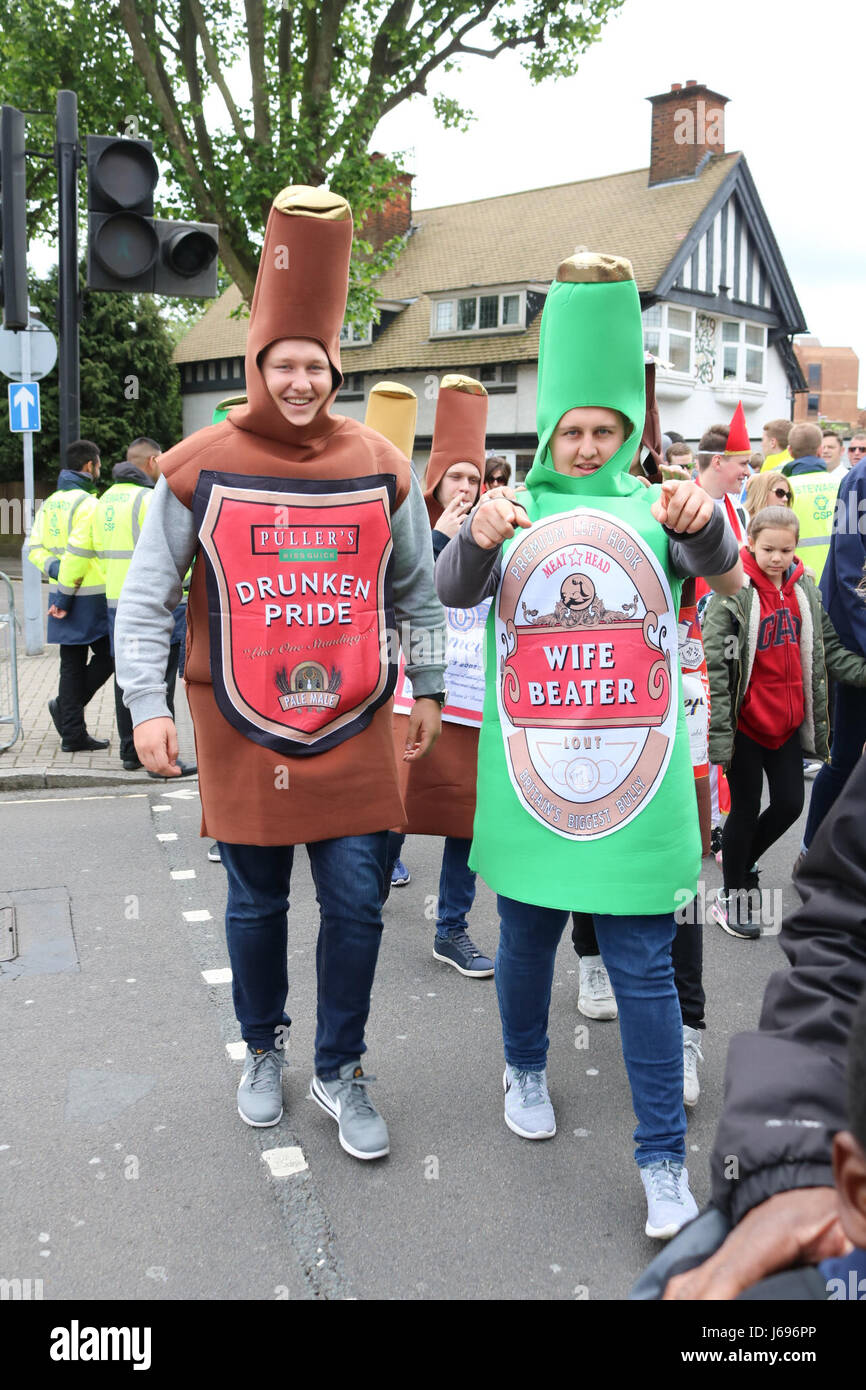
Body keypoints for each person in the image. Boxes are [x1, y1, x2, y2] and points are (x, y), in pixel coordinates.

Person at [115, 185, 446, 1160]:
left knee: (354, 907)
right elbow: (143, 601)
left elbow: (416, 595)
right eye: (282, 363)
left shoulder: (382, 466)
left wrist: (425, 685)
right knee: (255, 906)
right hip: (239, 734)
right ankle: (262, 1049)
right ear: (258, 364)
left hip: (352, 732)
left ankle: (339, 1067)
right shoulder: (196, 464)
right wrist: (145, 707)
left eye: (314, 364)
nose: (298, 380)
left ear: (332, 368)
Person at [435, 250, 743, 1239]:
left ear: (627, 431)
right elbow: (447, 591)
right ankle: (523, 1065)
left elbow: (720, 567)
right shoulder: (508, 508)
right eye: (569, 428)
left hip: (635, 788)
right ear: (548, 429)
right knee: (524, 937)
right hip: (531, 777)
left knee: (645, 966)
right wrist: (477, 534)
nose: (583, 443)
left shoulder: (661, 510)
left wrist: (701, 522)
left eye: (602, 428)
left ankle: (660, 1161)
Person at [630, 746, 866, 1301]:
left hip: (774, 720)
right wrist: (796, 1162)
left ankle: (686, 1043)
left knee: (785, 800)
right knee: (658, 896)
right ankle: (734, 896)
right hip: (722, 729)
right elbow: (844, 926)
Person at [702, 504, 866, 937]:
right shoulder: (734, 591)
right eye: (768, 548)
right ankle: (730, 896)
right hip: (747, 726)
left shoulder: (804, 589)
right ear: (751, 543)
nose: (776, 558)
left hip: (788, 724)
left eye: (785, 550)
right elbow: (717, 667)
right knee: (743, 810)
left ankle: (739, 865)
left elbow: (828, 648)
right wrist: (722, 732)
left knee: (792, 804)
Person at [387, 375, 495, 976]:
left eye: (475, 479)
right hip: (413, 697)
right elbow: (394, 591)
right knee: (395, 812)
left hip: (475, 703)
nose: (467, 489)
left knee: (463, 821)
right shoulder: (409, 522)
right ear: (435, 481)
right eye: (457, 477)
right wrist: (437, 538)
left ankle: (450, 930)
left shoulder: (491, 532)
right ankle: (363, 906)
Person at [58, 437, 196, 777]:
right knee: (157, 680)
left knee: (127, 678)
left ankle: (130, 751)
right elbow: (174, 554)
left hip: (115, 607)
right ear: (150, 462)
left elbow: (77, 553)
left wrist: (62, 598)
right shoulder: (151, 500)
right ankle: (162, 757)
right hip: (157, 608)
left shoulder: (99, 503)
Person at [25, 440, 112, 752]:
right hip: (88, 595)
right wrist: (67, 573)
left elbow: (34, 547)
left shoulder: (50, 503)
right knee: (110, 655)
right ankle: (66, 712)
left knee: (71, 664)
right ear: (89, 466)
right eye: (98, 464)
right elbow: (83, 552)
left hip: (62, 593)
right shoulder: (90, 504)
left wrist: (54, 568)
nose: (99, 469)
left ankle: (72, 731)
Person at [800, 451, 866, 860]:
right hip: (856, 644)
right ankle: (810, 851)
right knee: (844, 755)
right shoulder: (860, 481)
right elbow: (852, 574)